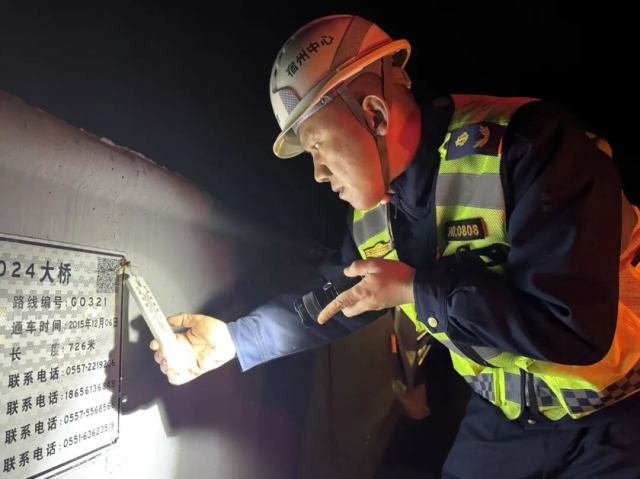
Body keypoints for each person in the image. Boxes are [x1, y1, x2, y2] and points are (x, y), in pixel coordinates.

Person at [151, 14, 640, 477]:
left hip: (616, 414)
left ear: (375, 113)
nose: (318, 172)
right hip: (504, 421)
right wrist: (233, 340)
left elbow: (573, 326)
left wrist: (414, 290)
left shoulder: (530, 147)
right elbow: (336, 298)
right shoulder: (372, 218)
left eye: (317, 146)